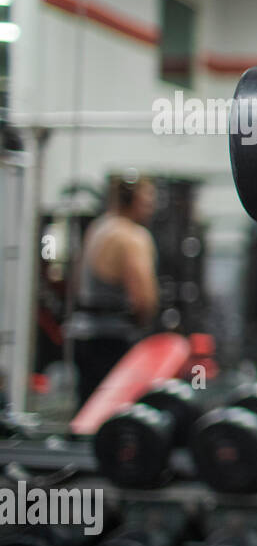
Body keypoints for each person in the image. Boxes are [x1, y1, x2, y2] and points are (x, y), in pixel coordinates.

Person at [66, 173, 158, 406]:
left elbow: (76, 283)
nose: (151, 208)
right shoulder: (132, 236)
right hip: (112, 340)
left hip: (83, 335)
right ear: (130, 200)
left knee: (87, 409)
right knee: (113, 415)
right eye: (147, 201)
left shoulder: (98, 229)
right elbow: (143, 299)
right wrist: (145, 328)